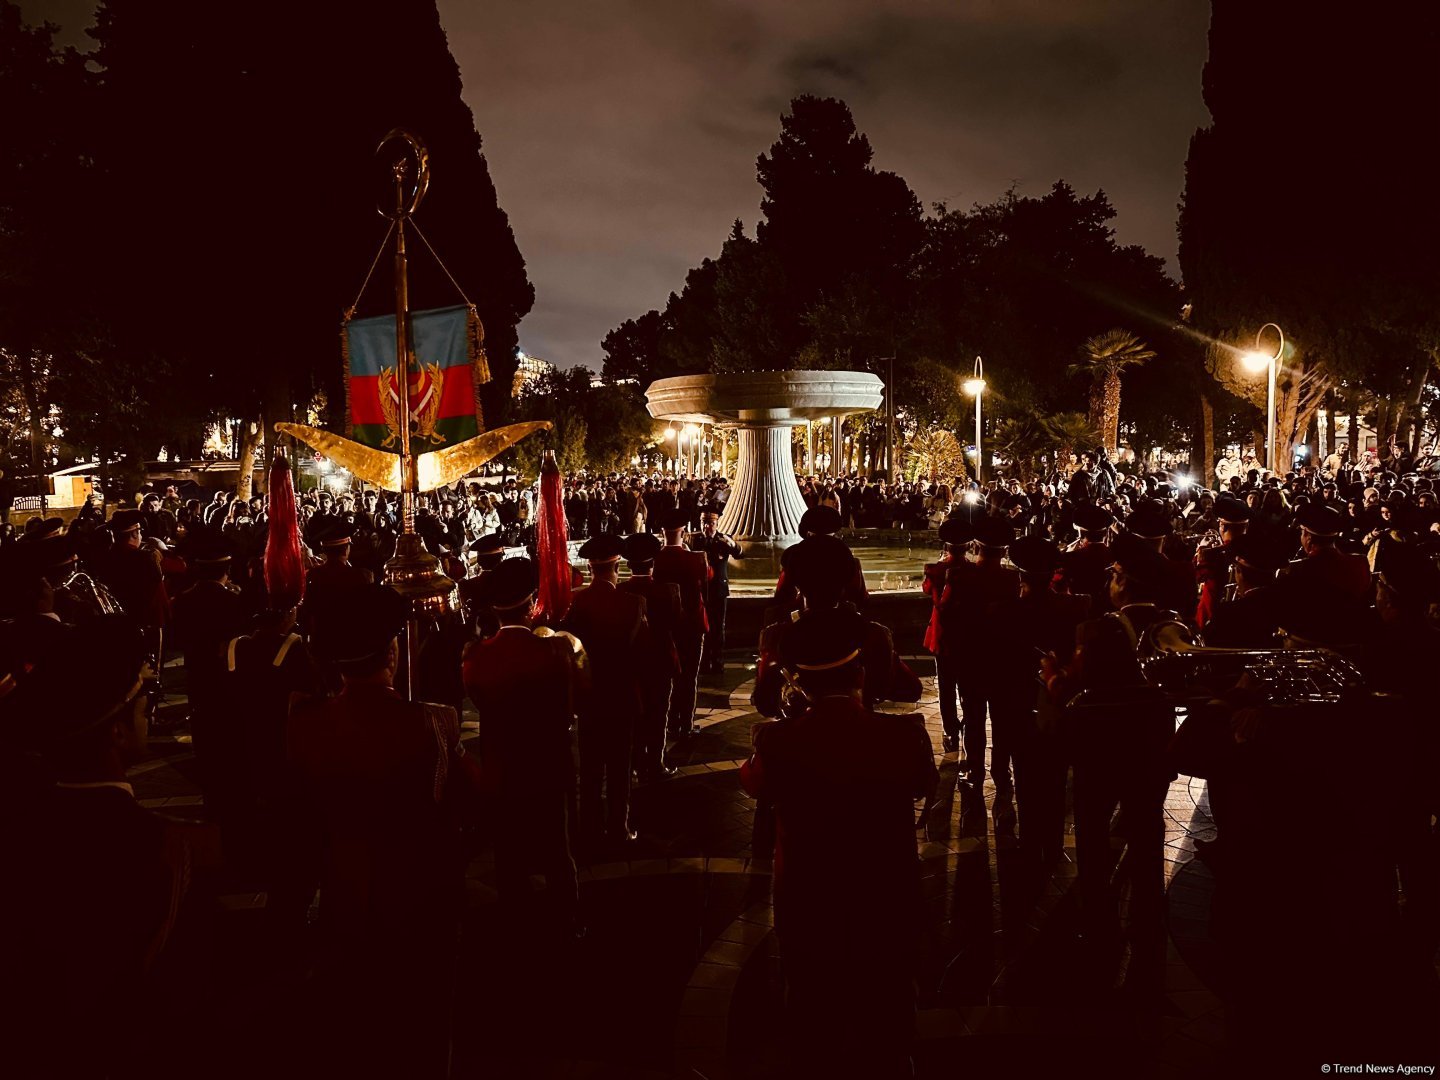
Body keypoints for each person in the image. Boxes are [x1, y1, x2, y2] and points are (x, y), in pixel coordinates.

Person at [287, 583, 482, 1078]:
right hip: (424, 890)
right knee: (427, 1014)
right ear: (392, 652)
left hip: (344, 887)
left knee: (358, 1012)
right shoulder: (436, 722)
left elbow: (302, 815)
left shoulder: (304, 725)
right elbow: (470, 799)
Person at [741, 612, 936, 1076]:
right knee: (888, 1000)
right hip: (885, 891)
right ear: (861, 674)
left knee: (811, 1005)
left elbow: (754, 785)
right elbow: (924, 784)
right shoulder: (904, 735)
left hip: (809, 894)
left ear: (801, 685)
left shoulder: (777, 740)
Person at [7, 617, 187, 1078]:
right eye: (143, 707)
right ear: (117, 732)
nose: (148, 714)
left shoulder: (24, 825)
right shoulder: (152, 841)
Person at [462, 557, 585, 936]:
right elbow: (576, 699)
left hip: (502, 767)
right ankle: (568, 921)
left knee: (507, 853)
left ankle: (515, 921)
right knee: (556, 851)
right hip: (548, 765)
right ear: (531, 603)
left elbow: (478, 700)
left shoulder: (474, 656)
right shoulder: (557, 651)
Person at [562, 533, 649, 845]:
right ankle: (618, 825)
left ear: (590, 566)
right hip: (623, 696)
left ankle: (589, 826)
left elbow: (568, 652)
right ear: (617, 566)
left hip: (589, 698)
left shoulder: (577, 603)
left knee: (590, 765)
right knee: (619, 766)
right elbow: (643, 655)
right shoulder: (634, 604)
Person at [169, 528, 250, 816]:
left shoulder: (184, 600)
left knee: (203, 729)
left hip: (196, 672)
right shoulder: (232, 601)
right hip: (224, 675)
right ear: (226, 570)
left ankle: (208, 782)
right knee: (227, 732)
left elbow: (176, 638)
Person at [934, 518, 1020, 787]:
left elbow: (947, 615)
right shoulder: (1012, 578)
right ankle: (1001, 770)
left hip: (970, 658)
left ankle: (975, 769)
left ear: (975, 545)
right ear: (1005, 550)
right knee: (1002, 716)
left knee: (973, 716)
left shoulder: (960, 576)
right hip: (1002, 659)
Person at [618, 531, 682, 780]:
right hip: (661, 660)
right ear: (653, 563)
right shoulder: (669, 591)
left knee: (636, 712)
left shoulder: (622, 591)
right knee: (659, 712)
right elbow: (677, 623)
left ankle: (636, 760)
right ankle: (655, 760)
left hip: (633, 663)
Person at [654, 506, 710, 738]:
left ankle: (669, 721)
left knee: (667, 676)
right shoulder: (695, 558)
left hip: (666, 626)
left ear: (662, 532)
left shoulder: (656, 559)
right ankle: (686, 722)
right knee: (689, 676)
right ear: (684, 531)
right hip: (693, 624)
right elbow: (707, 582)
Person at [690, 505, 741, 676]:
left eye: (711, 523)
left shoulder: (723, 540)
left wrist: (732, 544)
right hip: (701, 591)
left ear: (717, 523)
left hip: (719, 589)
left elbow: (739, 554)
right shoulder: (695, 540)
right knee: (702, 627)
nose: (707, 527)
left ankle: (718, 663)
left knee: (718, 628)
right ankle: (703, 663)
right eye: (704, 522)